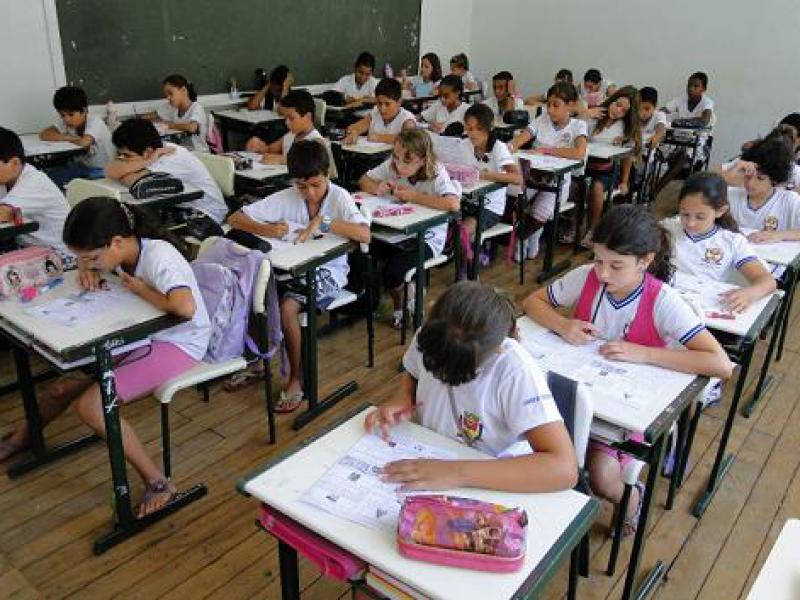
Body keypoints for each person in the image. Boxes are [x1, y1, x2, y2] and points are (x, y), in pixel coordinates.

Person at [523, 205, 732, 535]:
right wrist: (563, 325)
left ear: (645, 261)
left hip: (623, 409)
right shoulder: (587, 277)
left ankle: (631, 498)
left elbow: (719, 363)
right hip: (575, 394)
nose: (603, 274)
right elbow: (532, 301)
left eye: (616, 266)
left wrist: (644, 353)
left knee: (603, 477)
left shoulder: (662, 300)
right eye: (598, 260)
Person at [0, 197, 211, 518]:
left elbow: (184, 308)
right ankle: (22, 440)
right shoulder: (119, 251)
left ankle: (158, 483)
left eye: (92, 257)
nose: (88, 263)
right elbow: (93, 259)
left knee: (92, 406)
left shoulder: (160, 257)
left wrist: (140, 290)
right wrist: (88, 268)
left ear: (116, 242)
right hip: (141, 333)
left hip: (179, 342)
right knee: (60, 388)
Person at [365, 281, 578, 492]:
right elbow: (412, 373)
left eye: (458, 373)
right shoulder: (432, 334)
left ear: (497, 350)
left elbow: (563, 468)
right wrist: (402, 397)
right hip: (432, 450)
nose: (442, 378)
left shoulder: (514, 369)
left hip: (493, 474)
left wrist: (455, 472)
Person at [226, 140, 370, 406]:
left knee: (287, 308)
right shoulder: (290, 195)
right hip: (291, 268)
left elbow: (364, 234)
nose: (309, 193)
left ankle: (296, 378)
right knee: (252, 293)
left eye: (316, 185)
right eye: (302, 186)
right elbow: (235, 218)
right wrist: (268, 230)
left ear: (328, 174)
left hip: (329, 271)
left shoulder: (339, 197)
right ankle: (257, 362)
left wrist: (323, 222)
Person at [358, 130, 460, 328]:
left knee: (393, 271)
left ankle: (402, 301)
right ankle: (394, 296)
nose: (399, 165)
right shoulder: (393, 164)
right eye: (396, 157)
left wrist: (413, 197)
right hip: (395, 232)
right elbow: (364, 180)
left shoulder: (436, 172)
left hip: (427, 237)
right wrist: (376, 188)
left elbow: (452, 204)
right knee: (364, 253)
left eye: (407, 161)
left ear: (423, 159)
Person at [508, 81, 587, 259]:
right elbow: (519, 140)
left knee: (540, 212)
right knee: (515, 200)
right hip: (532, 177)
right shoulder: (541, 120)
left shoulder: (577, 126)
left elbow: (579, 153)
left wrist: (546, 150)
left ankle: (524, 236)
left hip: (557, 182)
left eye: (556, 105)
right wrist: (507, 148)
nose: (550, 110)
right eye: (548, 104)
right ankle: (527, 235)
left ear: (570, 105)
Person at [0, 127, 72, 258]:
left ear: (14, 163)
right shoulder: (9, 178)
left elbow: (3, 214)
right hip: (31, 248)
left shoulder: (32, 183)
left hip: (58, 256)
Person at [39, 85, 114, 186]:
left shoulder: (95, 121)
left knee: (58, 179)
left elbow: (84, 142)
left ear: (84, 110)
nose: (66, 119)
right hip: (82, 167)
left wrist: (66, 137)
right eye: (62, 115)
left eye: (71, 114)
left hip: (102, 170)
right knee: (48, 176)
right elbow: (44, 134)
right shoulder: (68, 122)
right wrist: (69, 137)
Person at [344, 78, 416, 145]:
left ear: (399, 102)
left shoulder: (407, 120)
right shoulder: (375, 112)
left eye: (387, 104)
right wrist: (354, 132)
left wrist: (378, 137)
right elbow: (353, 128)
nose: (382, 109)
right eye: (379, 103)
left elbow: (408, 140)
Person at [154, 74, 209, 152]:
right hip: (183, 151)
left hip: (198, 152)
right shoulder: (175, 109)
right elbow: (157, 116)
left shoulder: (196, 108)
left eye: (170, 93)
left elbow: (192, 128)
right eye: (166, 95)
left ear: (183, 90)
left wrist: (169, 125)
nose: (168, 98)